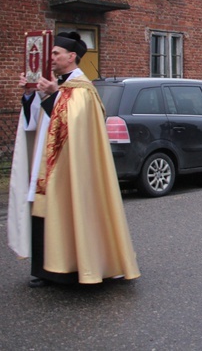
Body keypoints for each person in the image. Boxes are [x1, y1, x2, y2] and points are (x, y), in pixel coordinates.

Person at [8, 32, 140, 287]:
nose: (52, 58)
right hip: (48, 162)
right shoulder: (54, 86)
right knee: (43, 210)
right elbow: (34, 122)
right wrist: (30, 94)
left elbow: (73, 122)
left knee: (75, 208)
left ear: (72, 57)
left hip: (74, 167)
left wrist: (54, 94)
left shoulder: (83, 89)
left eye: (56, 54)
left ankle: (84, 266)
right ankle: (46, 270)